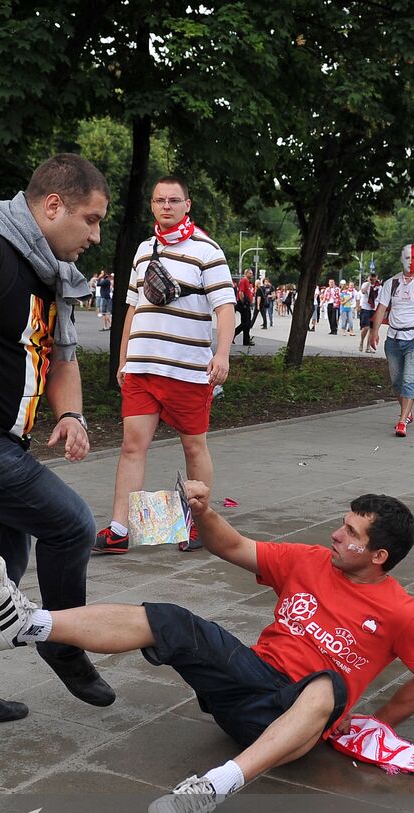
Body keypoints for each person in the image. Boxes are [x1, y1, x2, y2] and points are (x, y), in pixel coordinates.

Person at [0, 486, 414, 813]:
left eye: (350, 533)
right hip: (247, 684)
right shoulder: (309, 560)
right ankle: (28, 625)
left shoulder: (401, 612)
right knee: (172, 619)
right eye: (342, 524)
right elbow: (231, 546)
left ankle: (211, 789)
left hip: (297, 719)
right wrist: (203, 512)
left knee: (329, 685)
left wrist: (377, 723)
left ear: (378, 555)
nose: (335, 534)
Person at [0, 154, 113, 725]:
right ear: (52, 206)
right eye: (90, 219)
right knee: (71, 524)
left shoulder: (49, 269)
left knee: (0, 559)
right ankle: (63, 639)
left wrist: (74, 416)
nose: (95, 236)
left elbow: (61, 357)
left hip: (1, 438)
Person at [93, 176, 235, 557]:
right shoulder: (144, 250)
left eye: (174, 200)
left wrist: (221, 355)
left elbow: (225, 308)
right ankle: (121, 529)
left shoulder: (208, 250)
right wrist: (123, 360)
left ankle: (198, 523)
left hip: (187, 370)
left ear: (188, 204)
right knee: (131, 446)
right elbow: (132, 308)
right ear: (152, 205)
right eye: (159, 200)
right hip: (142, 368)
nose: (166, 206)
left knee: (193, 447)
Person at [369, 244, 414, 437]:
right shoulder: (391, 283)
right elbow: (382, 309)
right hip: (393, 339)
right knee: (396, 382)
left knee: (409, 380)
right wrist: (374, 332)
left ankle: (402, 421)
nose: (411, 262)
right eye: (407, 258)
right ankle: (408, 411)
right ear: (402, 259)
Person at [358, 273, 380, 352]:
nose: (373, 278)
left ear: (377, 277)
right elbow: (363, 291)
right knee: (366, 327)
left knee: (372, 329)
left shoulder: (379, 286)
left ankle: (368, 347)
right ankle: (361, 342)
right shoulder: (365, 284)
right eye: (371, 277)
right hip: (365, 308)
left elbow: (380, 298)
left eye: (374, 276)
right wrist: (369, 283)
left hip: (374, 309)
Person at [236, 267, 256, 345]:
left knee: (247, 323)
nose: (252, 275)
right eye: (250, 273)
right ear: (246, 273)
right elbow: (241, 292)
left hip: (247, 304)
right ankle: (234, 334)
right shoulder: (243, 281)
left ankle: (246, 340)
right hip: (243, 304)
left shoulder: (248, 282)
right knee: (245, 323)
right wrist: (243, 302)